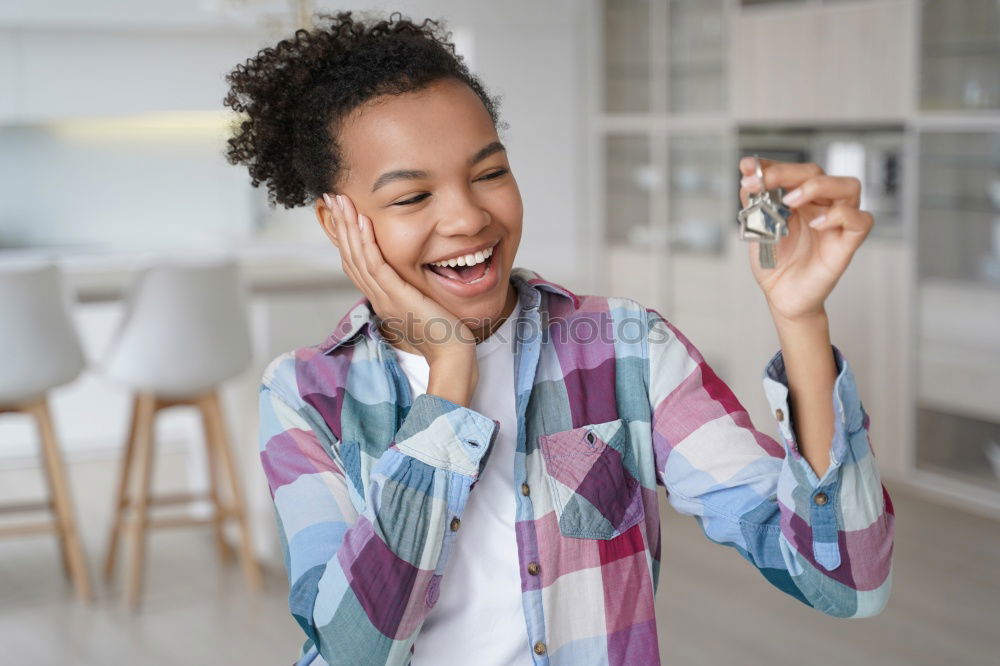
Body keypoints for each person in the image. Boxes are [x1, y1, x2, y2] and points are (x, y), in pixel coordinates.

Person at [224, 11, 895, 666]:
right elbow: (352, 649)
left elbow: (846, 584)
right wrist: (450, 377)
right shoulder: (305, 394)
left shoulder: (627, 350)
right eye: (412, 197)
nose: (466, 216)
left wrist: (801, 320)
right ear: (337, 221)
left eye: (488, 173)